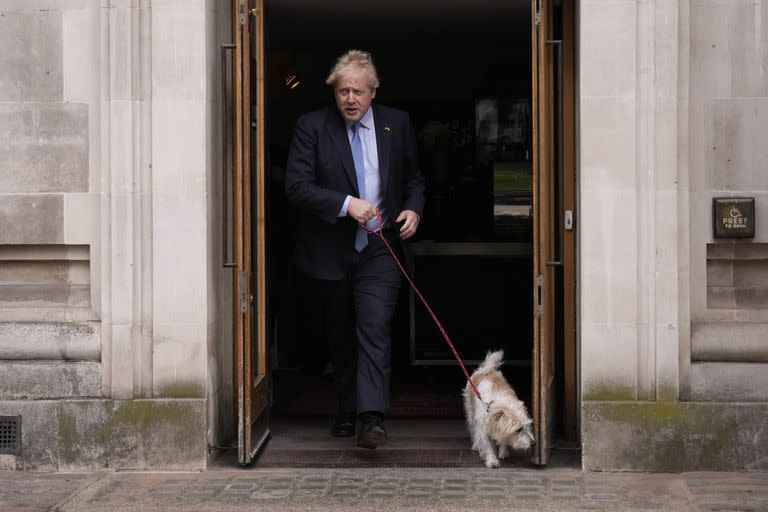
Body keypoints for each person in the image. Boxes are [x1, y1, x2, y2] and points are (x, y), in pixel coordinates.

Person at [285, 50, 425, 449]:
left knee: (375, 327)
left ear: (373, 92)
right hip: (329, 249)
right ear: (334, 92)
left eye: (358, 92)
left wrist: (414, 209)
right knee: (341, 335)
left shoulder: (396, 124)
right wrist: (348, 204)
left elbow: (414, 179)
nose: (350, 99)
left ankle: (371, 419)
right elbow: (295, 186)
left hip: (381, 247)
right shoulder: (311, 126)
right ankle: (346, 409)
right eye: (343, 91)